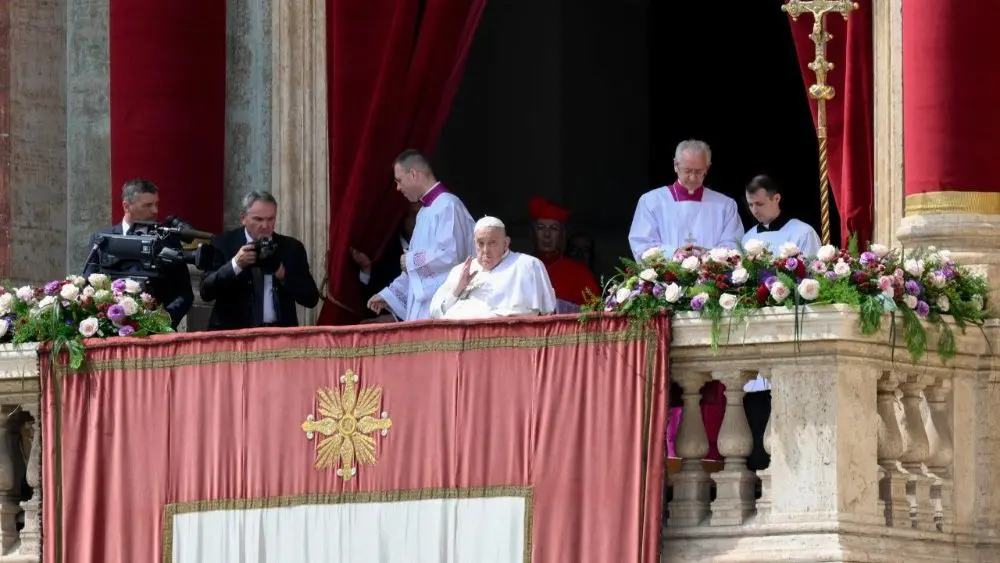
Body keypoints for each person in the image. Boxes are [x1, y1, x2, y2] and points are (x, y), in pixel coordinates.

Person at [367, 150, 475, 321]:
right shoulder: (424, 212)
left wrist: (410, 260)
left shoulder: (448, 205)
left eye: (399, 180)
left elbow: (451, 256)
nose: (398, 188)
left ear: (413, 174)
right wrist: (389, 295)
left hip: (445, 312)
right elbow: (421, 272)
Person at [200, 191, 320, 330]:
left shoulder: (291, 248)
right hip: (233, 337)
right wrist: (235, 265)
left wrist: (282, 274)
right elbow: (206, 292)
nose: (265, 225)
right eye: (258, 219)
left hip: (278, 336)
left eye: (271, 219)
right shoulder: (223, 243)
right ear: (243, 218)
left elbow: (311, 299)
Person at [83, 179, 193, 329]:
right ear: (126, 206)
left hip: (155, 333)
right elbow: (87, 284)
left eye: (156, 204)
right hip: (109, 330)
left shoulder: (168, 241)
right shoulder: (102, 240)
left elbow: (184, 293)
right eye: (148, 205)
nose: (155, 211)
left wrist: (165, 319)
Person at [628, 139, 744, 259]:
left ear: (707, 168)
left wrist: (709, 257)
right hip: (665, 277)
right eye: (687, 171)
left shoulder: (725, 205)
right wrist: (674, 254)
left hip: (711, 277)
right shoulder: (651, 201)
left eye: (699, 172)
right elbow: (642, 244)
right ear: (675, 165)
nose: (693, 178)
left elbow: (733, 245)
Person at [430, 216, 556, 319]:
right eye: (480, 243)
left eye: (492, 243)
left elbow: (544, 314)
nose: (485, 250)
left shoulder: (527, 265)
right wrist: (457, 290)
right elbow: (437, 314)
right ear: (474, 243)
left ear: (505, 243)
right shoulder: (460, 271)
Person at [527, 196, 599, 312]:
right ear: (532, 233)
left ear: (562, 235)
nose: (547, 234)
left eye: (554, 228)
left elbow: (595, 315)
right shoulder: (519, 268)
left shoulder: (581, 274)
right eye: (541, 227)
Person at [351, 201, 420, 321]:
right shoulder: (386, 251)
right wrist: (366, 270)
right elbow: (370, 300)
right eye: (411, 215)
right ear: (402, 218)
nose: (416, 221)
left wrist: (395, 318)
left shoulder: (431, 247)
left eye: (419, 215)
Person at [742, 174, 822, 257]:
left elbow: (813, 268)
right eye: (750, 205)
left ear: (777, 198)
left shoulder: (804, 233)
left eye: (759, 204)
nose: (754, 211)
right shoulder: (748, 238)